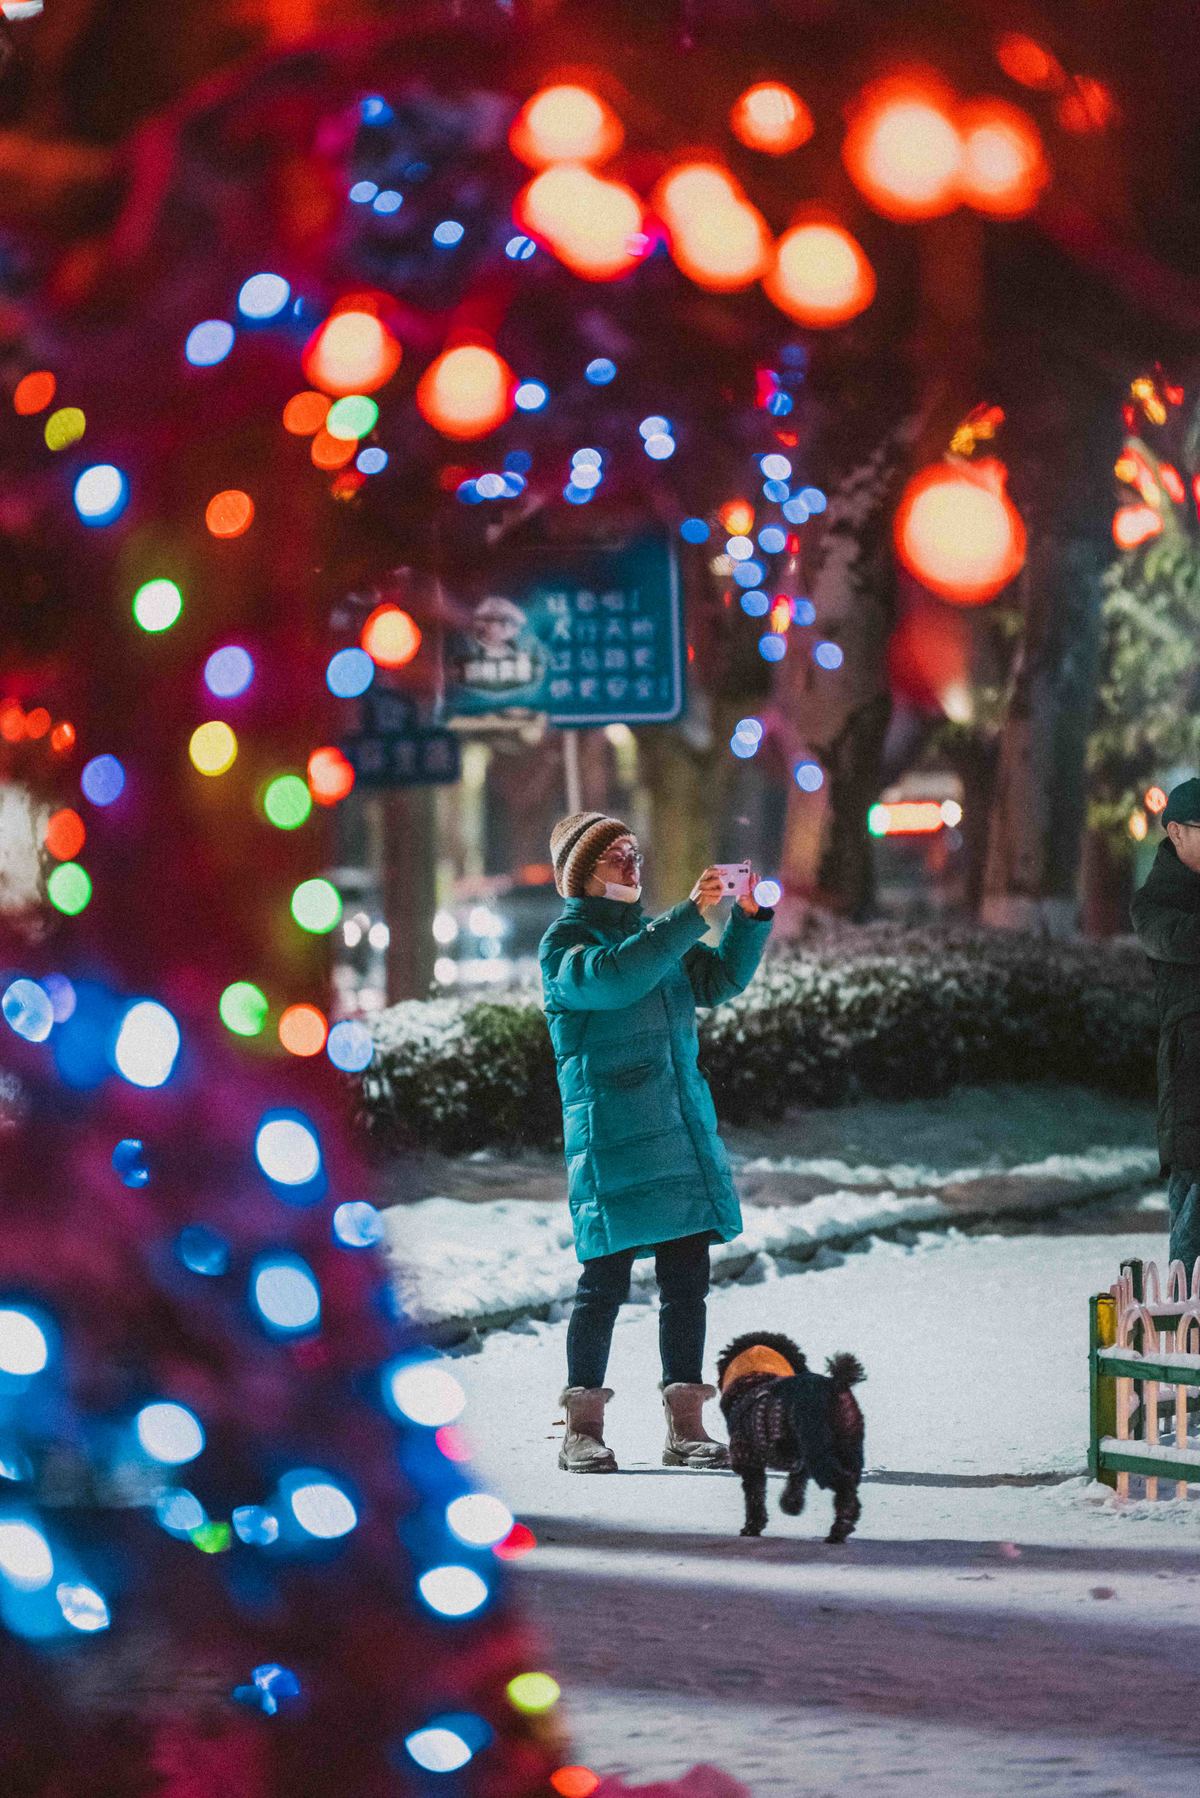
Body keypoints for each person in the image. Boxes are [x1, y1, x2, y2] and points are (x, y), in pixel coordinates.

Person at [539, 810, 774, 1472]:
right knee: (603, 1286)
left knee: (686, 1283)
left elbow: (718, 980)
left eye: (634, 850)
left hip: (674, 1135)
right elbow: (615, 977)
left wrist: (748, 918)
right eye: (615, 854)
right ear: (581, 873)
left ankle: (686, 1427)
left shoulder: (653, 938)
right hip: (612, 1143)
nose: (631, 861)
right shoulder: (565, 947)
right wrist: (686, 917)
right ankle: (581, 1429)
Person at [1130, 776, 1200, 1277]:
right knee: (1192, 1217)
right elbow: (1181, 941)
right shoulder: (1153, 905)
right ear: (1175, 833)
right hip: (1191, 1078)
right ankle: (1184, 1329)